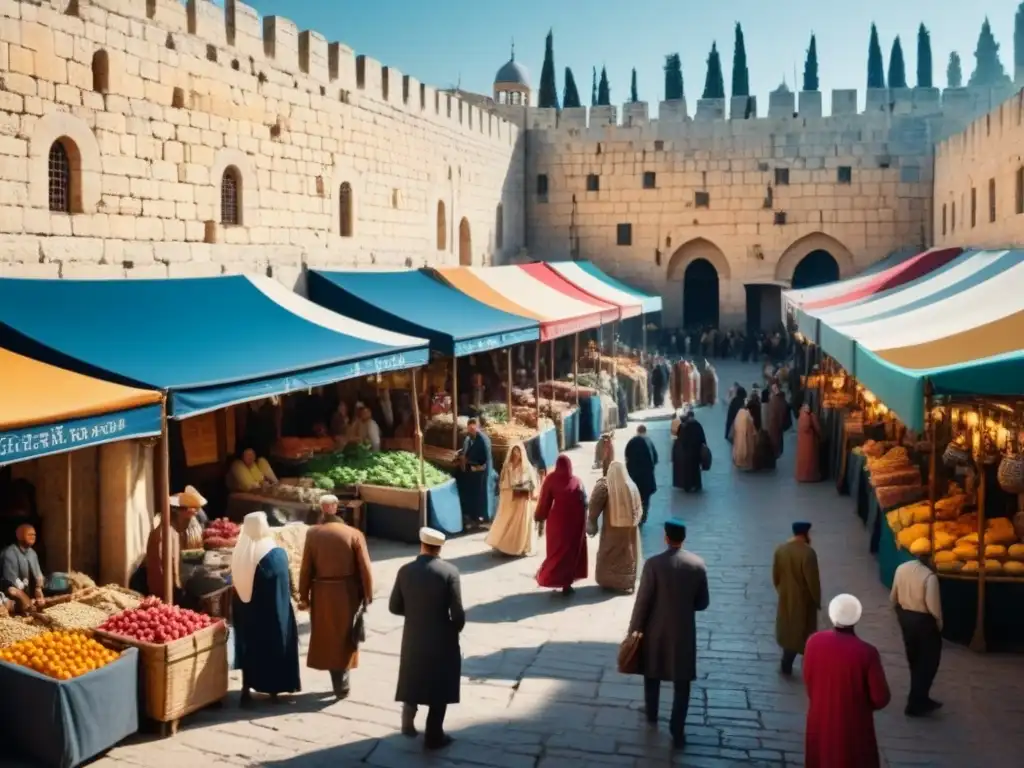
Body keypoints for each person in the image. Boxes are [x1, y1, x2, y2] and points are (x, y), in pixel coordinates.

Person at [627, 519, 710, 749]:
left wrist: (634, 629)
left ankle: (652, 713)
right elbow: (703, 603)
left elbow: (643, 602)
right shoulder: (697, 565)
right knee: (682, 682)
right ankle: (677, 729)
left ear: (665, 537)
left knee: (651, 672)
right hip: (684, 632)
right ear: (683, 539)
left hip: (655, 630)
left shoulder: (653, 564)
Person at [390, 527, 465, 750]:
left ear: (422, 544)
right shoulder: (450, 572)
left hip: (413, 634)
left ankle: (409, 712)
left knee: (414, 673)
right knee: (440, 683)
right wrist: (453, 629)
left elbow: (394, 606)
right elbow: (458, 612)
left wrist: (416, 613)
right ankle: (434, 735)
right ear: (440, 547)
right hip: (442, 635)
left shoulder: (405, 570)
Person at [298, 494, 374, 699]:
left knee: (329, 636)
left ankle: (338, 680)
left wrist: (303, 595)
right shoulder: (354, 533)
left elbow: (306, 568)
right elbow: (365, 568)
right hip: (347, 592)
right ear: (336, 508)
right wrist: (367, 593)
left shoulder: (313, 534)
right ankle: (343, 678)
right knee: (346, 636)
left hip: (322, 592)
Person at [803, 594, 891, 768]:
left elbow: (809, 680)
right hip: (853, 723)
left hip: (819, 718)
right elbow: (880, 698)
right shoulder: (866, 652)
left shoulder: (813, 642)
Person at [231, 512, 301, 705]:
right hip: (270, 609)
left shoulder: (240, 549)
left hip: (245, 609)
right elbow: (282, 580)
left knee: (249, 646)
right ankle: (273, 689)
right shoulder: (273, 553)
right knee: (273, 644)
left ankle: (246, 688)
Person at [891, 555, 944, 716]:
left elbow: (893, 596)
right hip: (923, 621)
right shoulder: (930, 577)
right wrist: (939, 624)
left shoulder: (902, 568)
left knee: (914, 658)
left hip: (905, 617)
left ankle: (918, 697)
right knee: (928, 662)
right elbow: (933, 607)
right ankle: (917, 701)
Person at [534, 455, 588, 595]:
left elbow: (545, 500)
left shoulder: (551, 479)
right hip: (575, 523)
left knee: (556, 553)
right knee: (570, 554)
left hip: (557, 523)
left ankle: (549, 577)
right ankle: (566, 584)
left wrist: (539, 516)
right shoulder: (577, 481)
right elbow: (584, 503)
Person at [773, 522, 821, 676]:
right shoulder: (808, 553)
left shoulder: (781, 550)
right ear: (806, 534)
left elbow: (776, 576)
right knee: (802, 632)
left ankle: (787, 663)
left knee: (789, 629)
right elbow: (812, 580)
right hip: (803, 599)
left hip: (786, 596)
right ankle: (807, 667)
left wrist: (783, 591)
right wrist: (817, 600)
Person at [587, 461, 642, 592]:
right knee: (627, 554)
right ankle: (626, 581)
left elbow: (594, 506)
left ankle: (609, 581)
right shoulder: (632, 486)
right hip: (629, 531)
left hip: (611, 530)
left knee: (609, 554)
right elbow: (639, 509)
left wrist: (592, 523)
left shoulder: (605, 486)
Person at [485, 443, 535, 556]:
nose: (516, 454)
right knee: (508, 521)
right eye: (514, 451)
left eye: (518, 451)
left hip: (523, 499)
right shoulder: (508, 467)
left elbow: (532, 483)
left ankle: (521, 547)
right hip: (510, 498)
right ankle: (505, 545)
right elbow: (503, 483)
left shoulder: (527, 467)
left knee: (521, 524)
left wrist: (525, 489)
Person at [1, 524, 45, 615]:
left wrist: (39, 589)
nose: (33, 537)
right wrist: (26, 601)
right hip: (10, 599)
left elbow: (39, 576)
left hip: (29, 597)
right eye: (29, 534)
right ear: (19, 536)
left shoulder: (32, 553)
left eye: (34, 535)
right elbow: (11, 586)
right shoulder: (9, 553)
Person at [458, 418, 494, 524]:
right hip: (471, 471)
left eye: (473, 428)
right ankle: (473, 516)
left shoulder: (483, 439)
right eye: (469, 428)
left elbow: (485, 456)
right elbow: (466, 450)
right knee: (472, 494)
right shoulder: (469, 439)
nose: (471, 430)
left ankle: (482, 517)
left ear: (477, 427)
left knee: (481, 495)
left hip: (481, 471)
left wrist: (475, 463)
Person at [624, 425, 658, 526]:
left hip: (635, 476)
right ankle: (643, 517)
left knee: (635, 496)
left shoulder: (632, 442)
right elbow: (655, 458)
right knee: (645, 498)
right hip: (647, 476)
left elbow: (627, 457)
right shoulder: (649, 442)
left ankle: (636, 515)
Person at [673, 411, 707, 493]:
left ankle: (687, 485)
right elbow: (702, 439)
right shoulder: (697, 425)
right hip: (696, 452)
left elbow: (678, 438)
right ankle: (696, 485)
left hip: (686, 452)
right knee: (695, 469)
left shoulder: (683, 426)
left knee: (686, 470)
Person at [795, 404, 822, 483]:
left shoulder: (800, 416)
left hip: (802, 441)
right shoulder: (811, 416)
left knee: (802, 458)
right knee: (811, 459)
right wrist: (821, 436)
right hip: (811, 441)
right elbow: (818, 428)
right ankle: (811, 476)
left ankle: (801, 475)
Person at [731, 402, 756, 471]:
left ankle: (739, 461)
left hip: (739, 439)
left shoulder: (739, 414)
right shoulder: (748, 416)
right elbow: (753, 430)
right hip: (747, 437)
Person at [767, 382, 789, 458]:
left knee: (775, 442)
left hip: (775, 425)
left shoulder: (776, 400)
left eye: (776, 388)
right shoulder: (778, 399)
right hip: (774, 425)